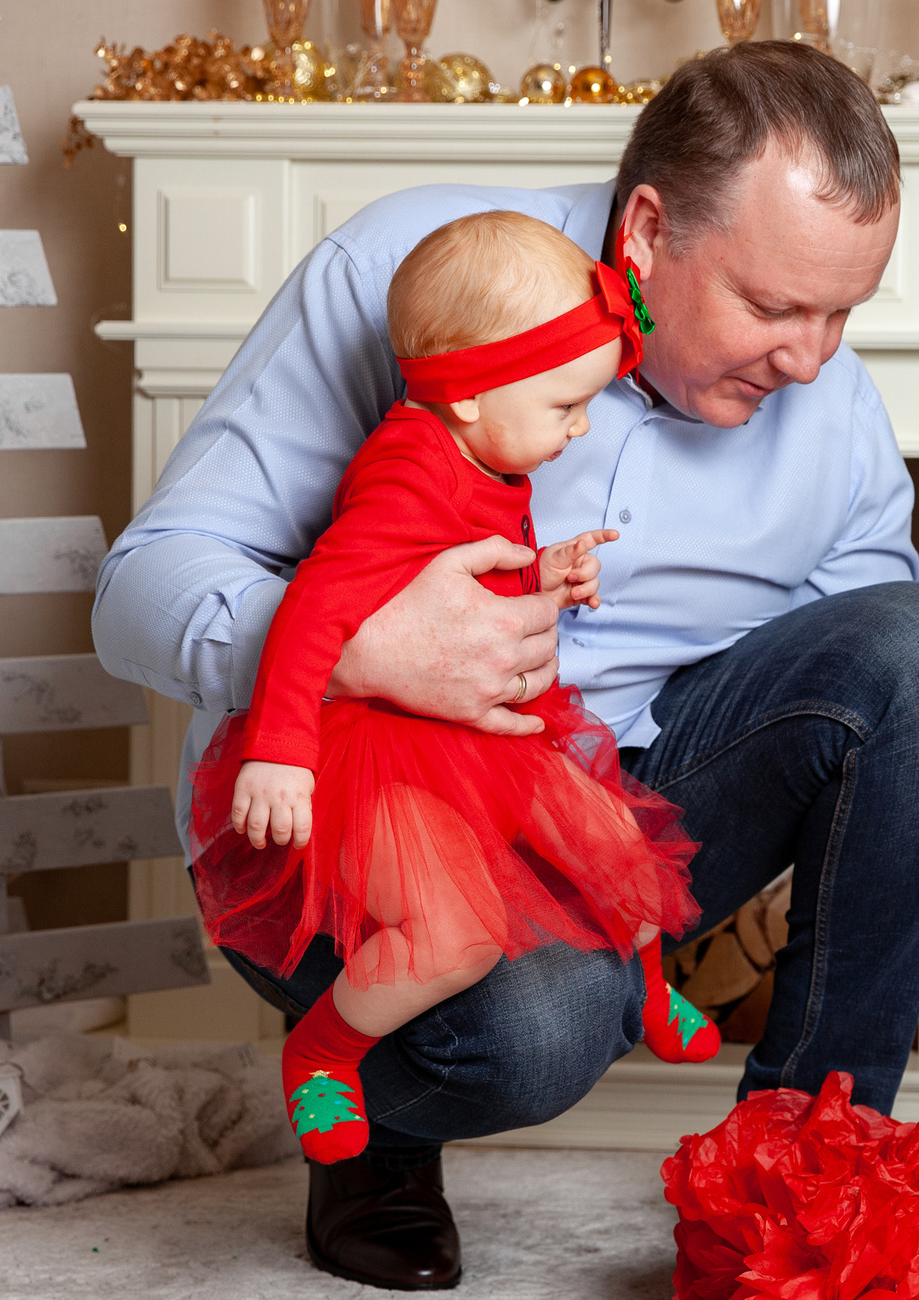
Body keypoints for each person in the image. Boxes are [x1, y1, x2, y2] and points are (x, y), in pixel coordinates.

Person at [94, 41, 919, 1291]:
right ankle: (375, 1120)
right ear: (645, 230)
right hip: (357, 814)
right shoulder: (409, 276)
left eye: (842, 311)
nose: (809, 359)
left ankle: (800, 1186)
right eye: (772, 306)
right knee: (537, 1036)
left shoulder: (834, 417)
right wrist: (362, 652)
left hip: (606, 796)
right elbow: (143, 583)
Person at [188, 213, 721, 1178]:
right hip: (385, 748)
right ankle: (325, 1049)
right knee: (454, 936)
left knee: (615, 843)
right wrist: (278, 748)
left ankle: (644, 982)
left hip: (481, 731)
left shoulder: (488, 451)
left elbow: (451, 586)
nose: (581, 428)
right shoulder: (405, 470)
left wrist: (545, 571)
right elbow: (316, 606)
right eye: (566, 405)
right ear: (470, 394)